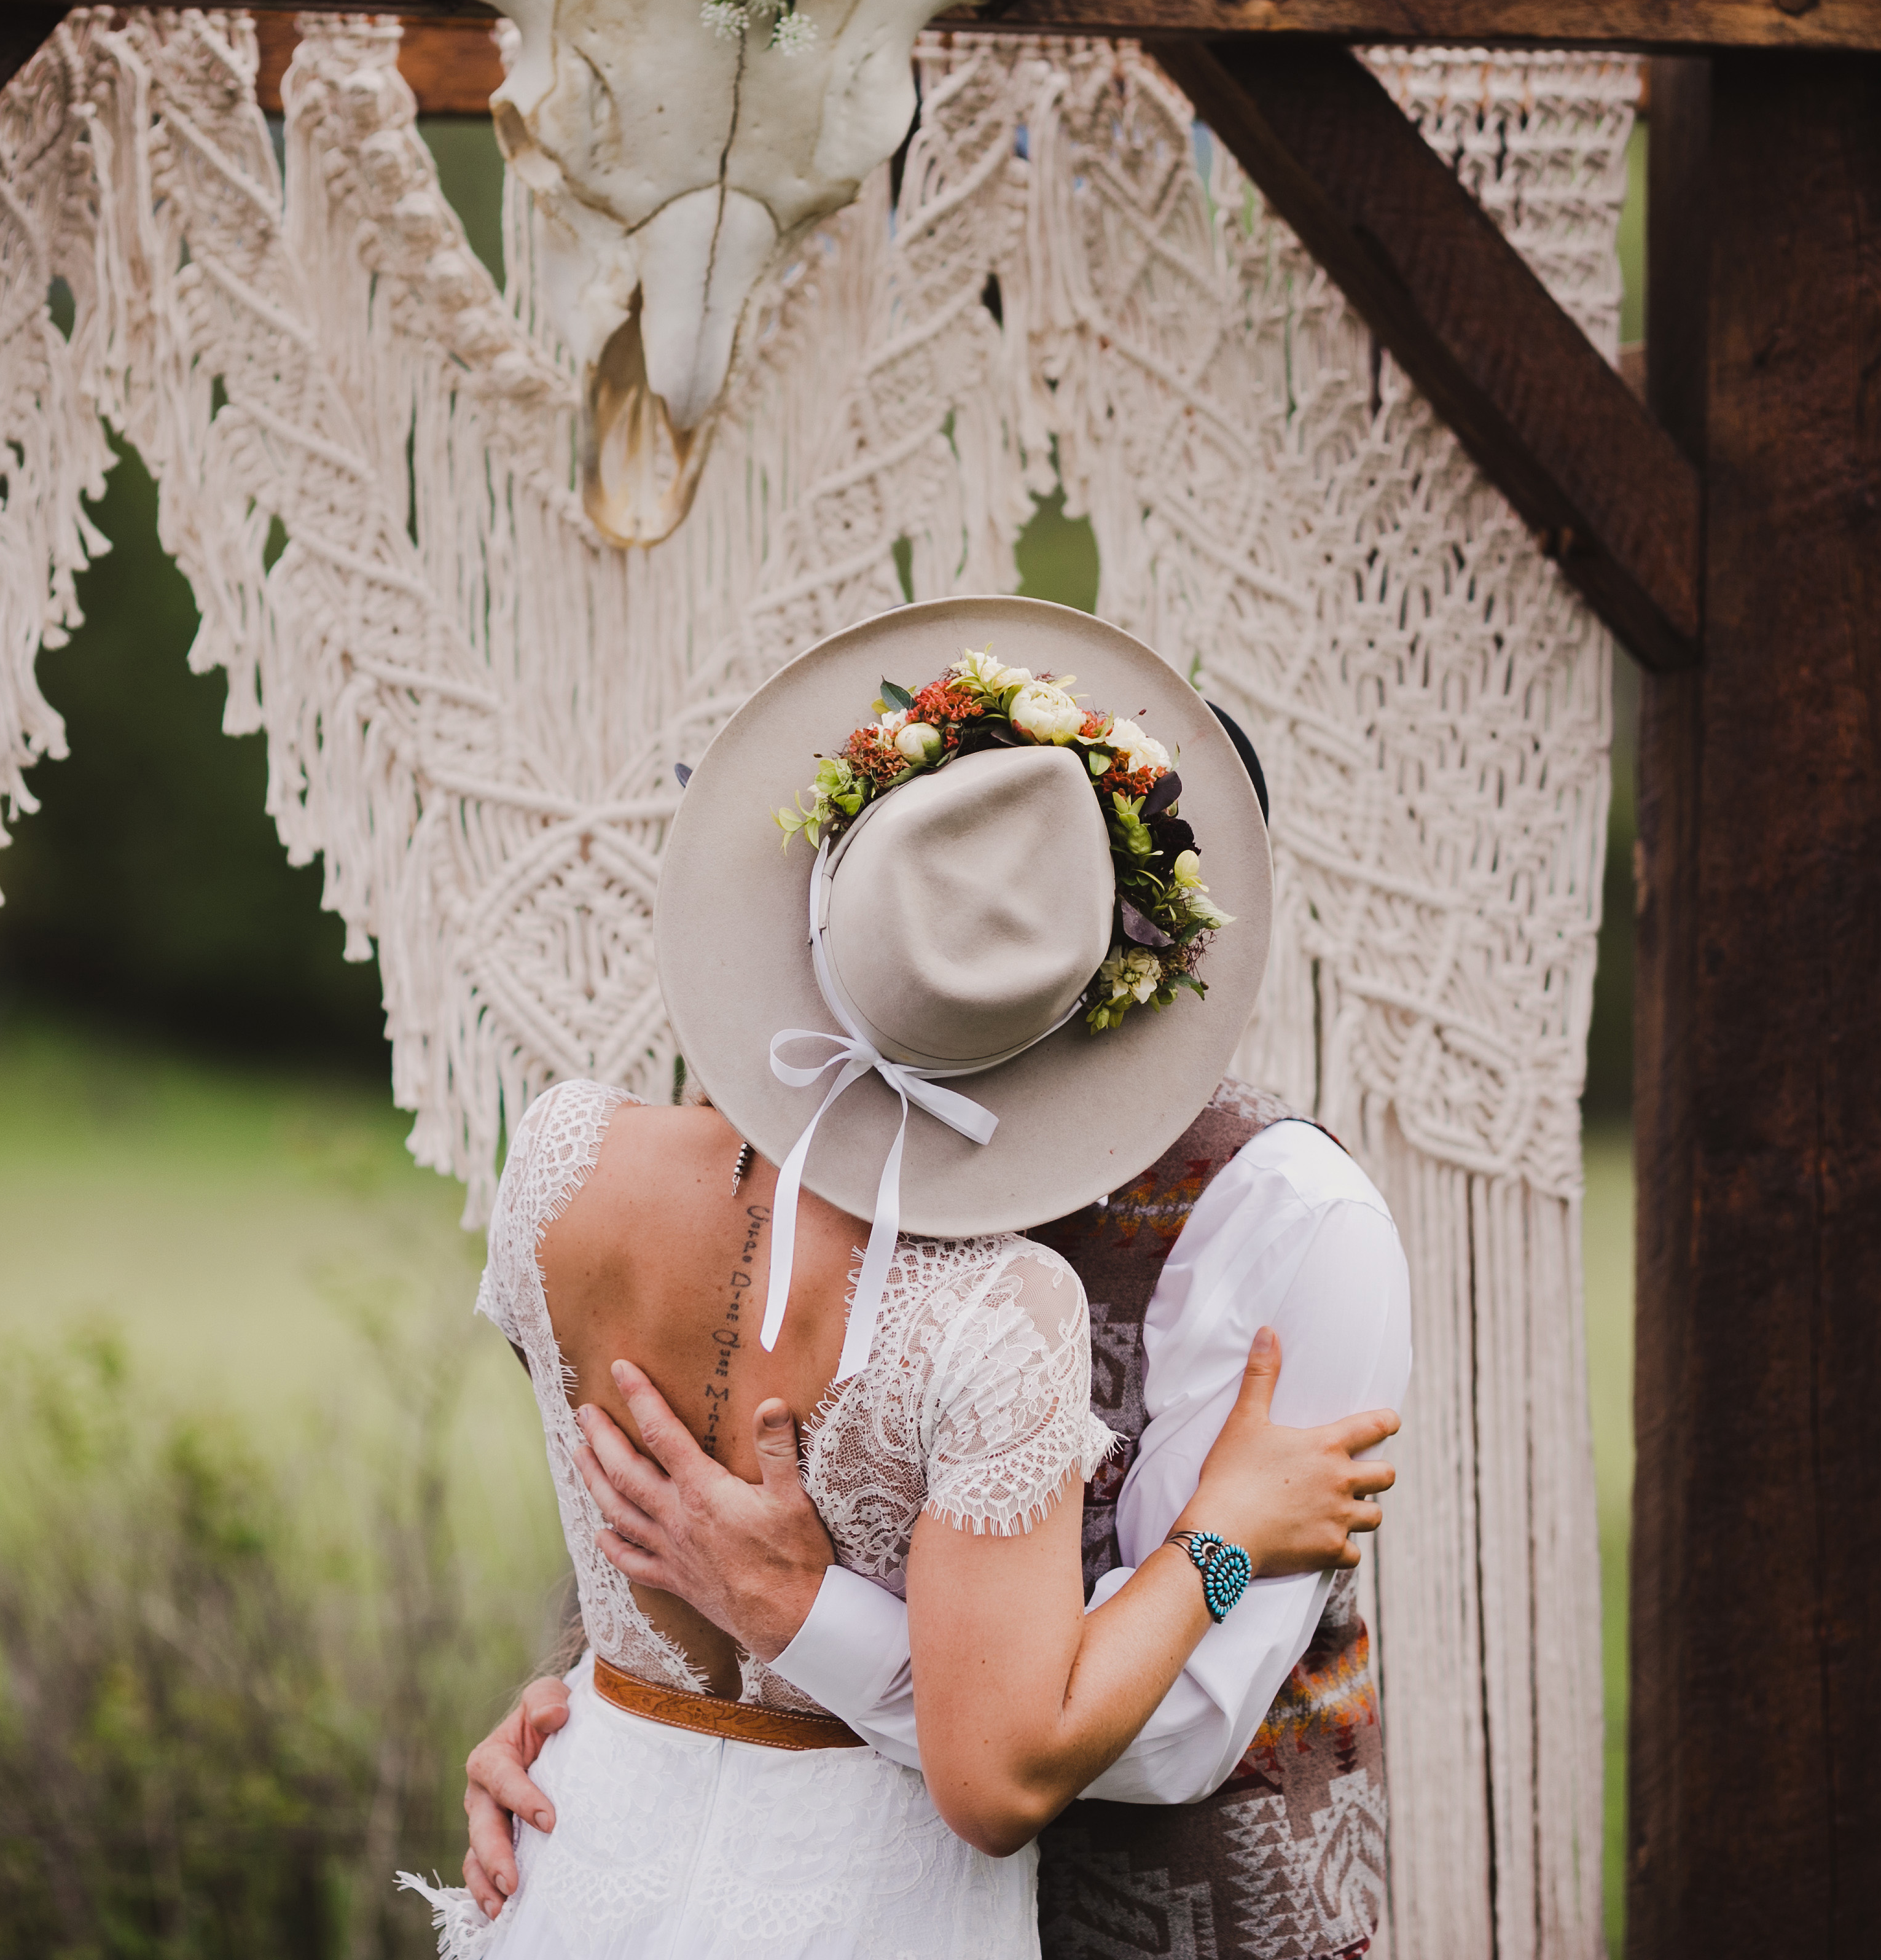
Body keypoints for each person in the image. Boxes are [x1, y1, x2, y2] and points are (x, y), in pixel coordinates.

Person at [404, 599, 1402, 1959]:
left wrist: (758, 1639)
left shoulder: (1292, 1220)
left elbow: (1176, 1742)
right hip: (844, 1890)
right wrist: (595, 1688)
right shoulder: (997, 1302)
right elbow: (975, 1751)